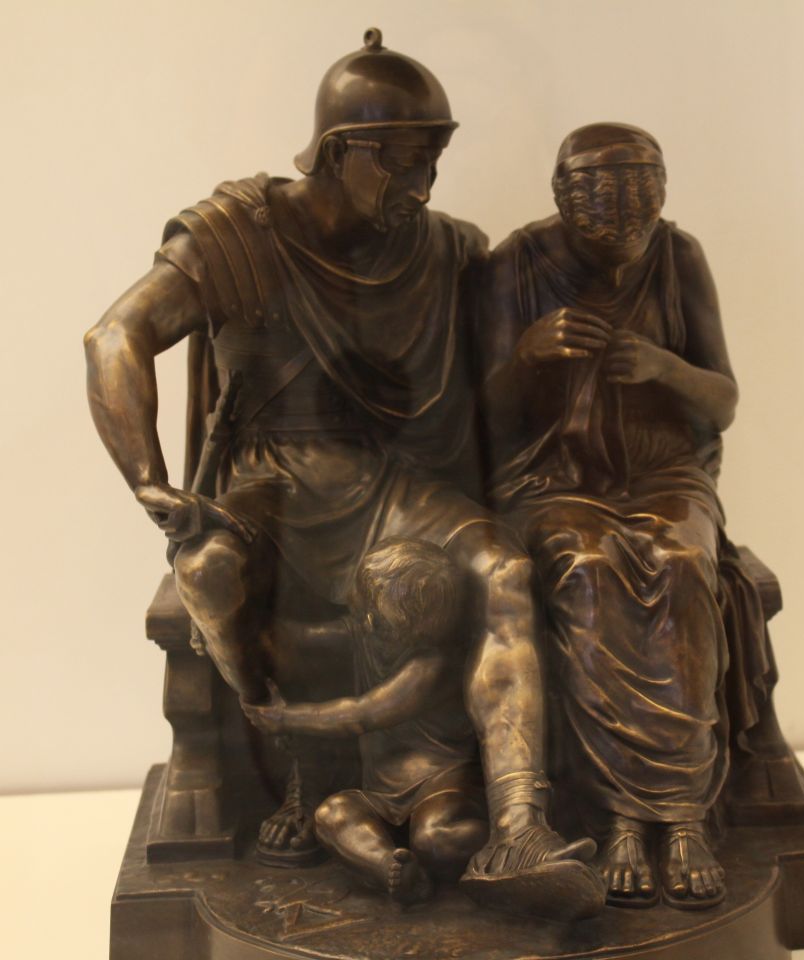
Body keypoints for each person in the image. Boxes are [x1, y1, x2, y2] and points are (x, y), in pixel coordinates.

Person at [83, 29, 602, 920]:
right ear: (336, 152)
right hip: (270, 491)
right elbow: (114, 337)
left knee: (505, 567)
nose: (423, 186)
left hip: (394, 482)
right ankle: (284, 762)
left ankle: (521, 829)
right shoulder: (236, 235)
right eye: (401, 162)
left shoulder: (446, 251)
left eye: (433, 161)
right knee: (212, 570)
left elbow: (490, 396)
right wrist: (149, 478)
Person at [478, 123, 774, 910]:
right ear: (563, 199)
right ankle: (618, 817)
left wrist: (664, 367)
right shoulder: (515, 264)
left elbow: (724, 401)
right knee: (587, 568)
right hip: (555, 477)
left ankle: (680, 815)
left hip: (664, 473)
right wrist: (528, 353)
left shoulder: (679, 257)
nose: (624, 224)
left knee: (682, 565)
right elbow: (480, 416)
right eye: (601, 205)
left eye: (641, 202)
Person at [244, 539, 487, 905]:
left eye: (373, 616)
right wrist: (240, 624)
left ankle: (490, 844)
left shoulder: (432, 667)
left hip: (440, 787)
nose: (364, 621)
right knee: (333, 816)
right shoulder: (374, 636)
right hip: (382, 796)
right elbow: (303, 637)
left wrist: (285, 718)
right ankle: (389, 866)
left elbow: (361, 714)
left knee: (434, 837)